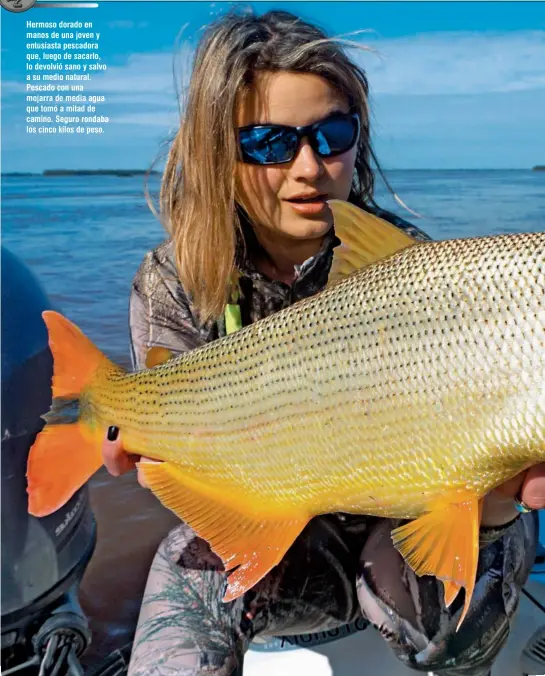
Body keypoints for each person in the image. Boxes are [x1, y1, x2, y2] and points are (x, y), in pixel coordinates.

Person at [101, 9, 542, 676]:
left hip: (389, 529)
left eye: (331, 135)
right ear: (216, 148)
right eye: (269, 144)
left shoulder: (416, 268)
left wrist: (492, 500)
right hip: (269, 521)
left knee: (474, 580)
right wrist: (126, 433)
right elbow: (176, 450)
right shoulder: (174, 280)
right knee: (181, 569)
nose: (308, 166)